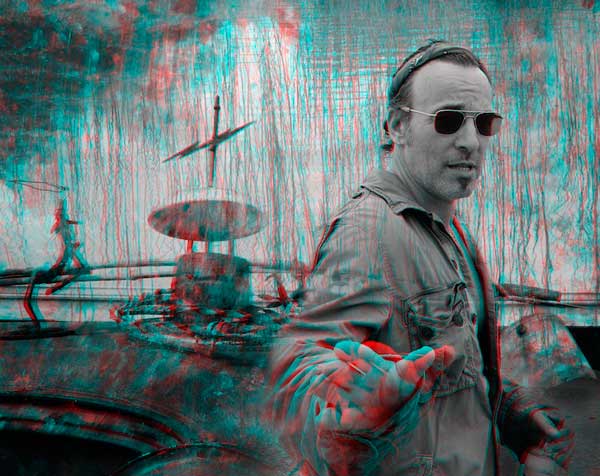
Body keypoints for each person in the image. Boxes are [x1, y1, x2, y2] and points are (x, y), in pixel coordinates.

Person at [268, 40, 574, 476]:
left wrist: (514, 417)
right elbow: (298, 366)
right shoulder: (369, 231)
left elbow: (461, 365)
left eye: (484, 123)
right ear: (398, 126)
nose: (470, 142)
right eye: (448, 121)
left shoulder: (451, 229)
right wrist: (355, 412)